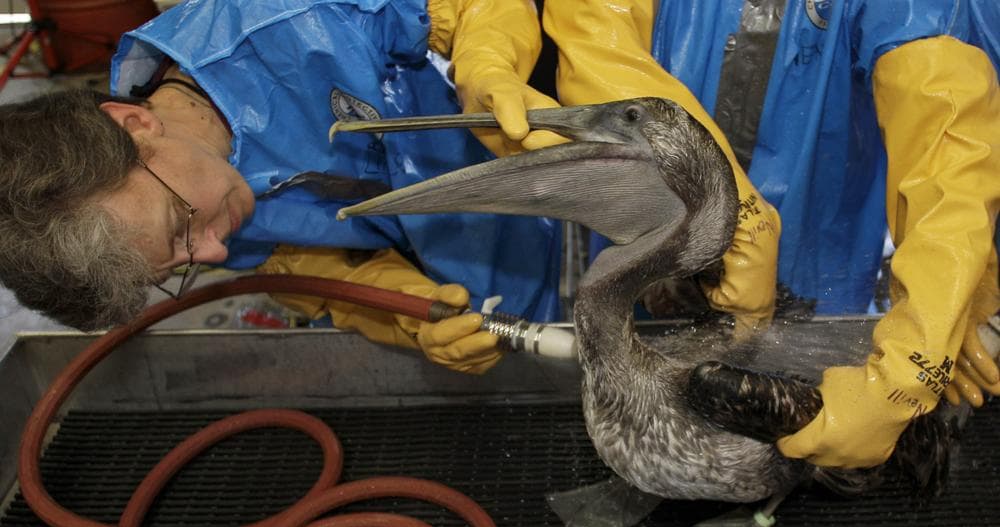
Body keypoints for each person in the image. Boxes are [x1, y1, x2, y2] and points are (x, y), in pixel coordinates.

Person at [542, 0, 1000, 468]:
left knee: (805, 417)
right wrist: (734, 219)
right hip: (653, 233)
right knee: (633, 384)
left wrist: (926, 334)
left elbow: (943, 118)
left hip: (819, 234)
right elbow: (594, 44)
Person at [0, 0, 565, 375]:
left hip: (527, 146)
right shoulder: (189, 202)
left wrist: (490, 70)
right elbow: (317, 272)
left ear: (136, 125)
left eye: (182, 227)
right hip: (478, 257)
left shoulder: (279, 16)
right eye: (177, 267)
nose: (217, 253)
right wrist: (413, 318)